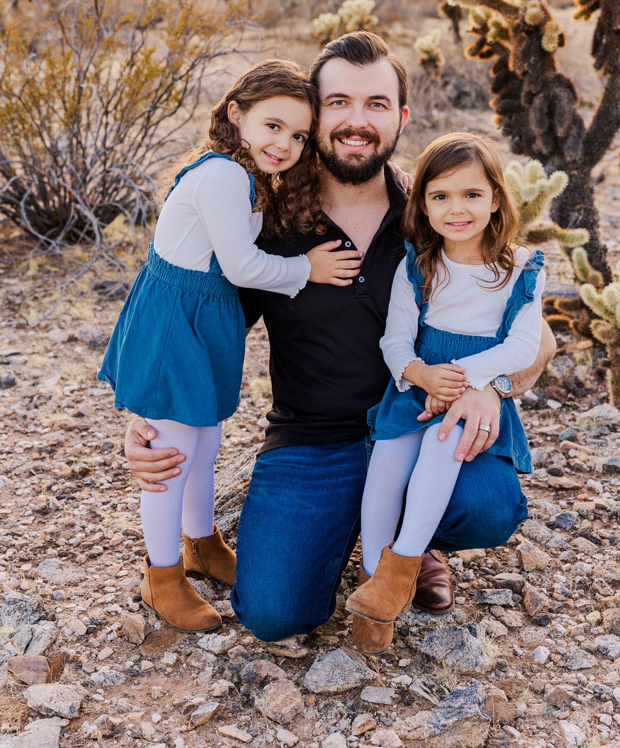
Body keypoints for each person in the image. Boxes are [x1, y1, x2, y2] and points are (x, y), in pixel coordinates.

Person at [123, 32, 556, 653]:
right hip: (312, 442)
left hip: (416, 425)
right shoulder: (264, 225)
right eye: (340, 104)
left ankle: (406, 545)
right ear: (314, 113)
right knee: (275, 614)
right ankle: (362, 533)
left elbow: (533, 331)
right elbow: (190, 319)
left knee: (490, 505)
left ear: (401, 117)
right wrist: (149, 414)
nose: (358, 121)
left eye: (376, 104)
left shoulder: (433, 212)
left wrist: (496, 383)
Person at [98, 59, 362, 633]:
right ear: (236, 114)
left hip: (203, 319)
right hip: (177, 325)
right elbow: (242, 265)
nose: (284, 144)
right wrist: (307, 268)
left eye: (297, 136)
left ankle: (201, 542)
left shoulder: (247, 178)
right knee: (172, 451)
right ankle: (161, 575)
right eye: (272, 126)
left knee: (206, 438)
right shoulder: (221, 175)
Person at [345, 133, 545, 650]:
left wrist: (459, 379)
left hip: (467, 394)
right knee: (387, 465)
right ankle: (375, 582)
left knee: (444, 446)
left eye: (472, 194)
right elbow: (394, 339)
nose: (457, 209)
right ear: (423, 205)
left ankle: (403, 564)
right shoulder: (419, 265)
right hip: (418, 391)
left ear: (497, 198)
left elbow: (524, 344)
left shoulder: (522, 269)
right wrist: (420, 375)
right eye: (441, 196)